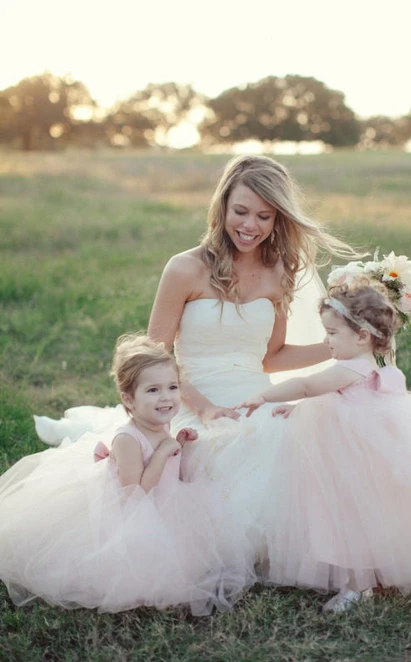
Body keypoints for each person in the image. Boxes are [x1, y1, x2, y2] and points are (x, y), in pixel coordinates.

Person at [34, 155, 360, 569]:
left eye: (264, 216)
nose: (250, 226)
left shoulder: (279, 272)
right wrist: (204, 408)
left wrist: (342, 346)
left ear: (278, 219)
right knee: (220, 455)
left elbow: (272, 356)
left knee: (298, 445)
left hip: (254, 396)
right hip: (188, 400)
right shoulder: (185, 268)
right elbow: (155, 360)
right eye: (240, 211)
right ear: (222, 206)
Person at [238, 284, 411, 613]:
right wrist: (297, 409)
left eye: (332, 332)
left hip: (351, 459)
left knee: (350, 518)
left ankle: (358, 586)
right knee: (375, 517)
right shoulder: (373, 365)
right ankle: (378, 572)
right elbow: (330, 398)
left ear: (362, 336)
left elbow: (310, 386)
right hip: (372, 456)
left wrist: (265, 395)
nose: (326, 340)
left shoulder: (350, 368)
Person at [0, 334, 253, 614]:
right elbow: (135, 493)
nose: (166, 397)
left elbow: (163, 464)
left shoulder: (160, 424)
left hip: (164, 502)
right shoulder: (127, 439)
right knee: (149, 571)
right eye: (153, 390)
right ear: (128, 400)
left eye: (172, 387)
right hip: (133, 512)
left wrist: (176, 444)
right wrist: (162, 452)